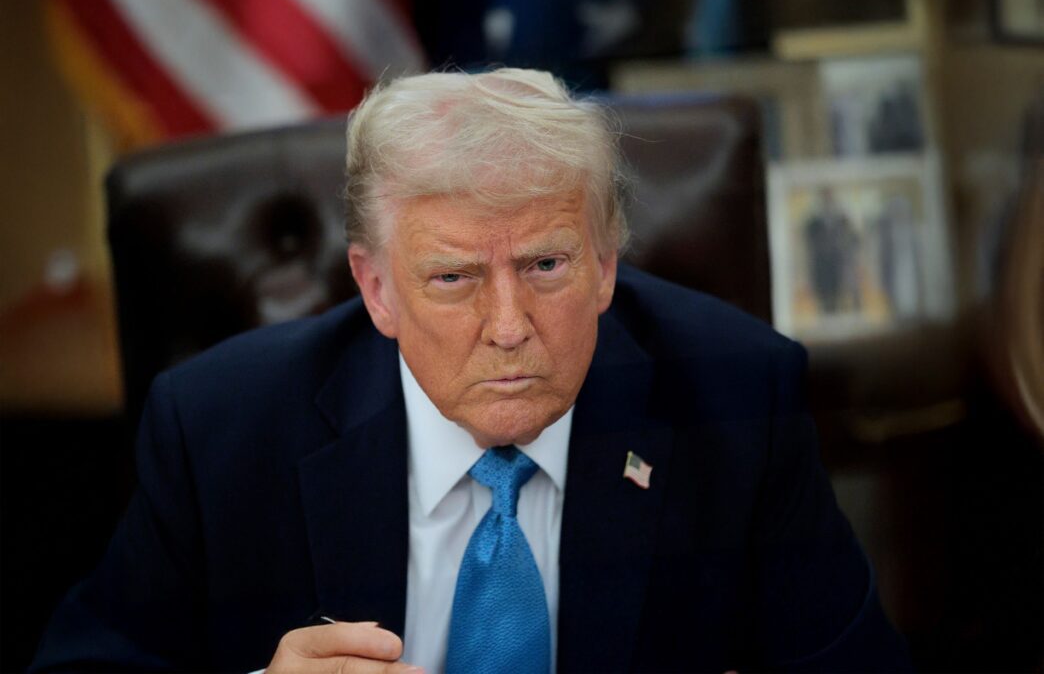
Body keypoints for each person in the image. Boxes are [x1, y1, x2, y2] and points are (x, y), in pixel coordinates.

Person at [32, 68, 910, 673]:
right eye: (452, 278)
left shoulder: (739, 398)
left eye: (546, 266)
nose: (507, 327)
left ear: (606, 264)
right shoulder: (220, 428)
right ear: (376, 289)